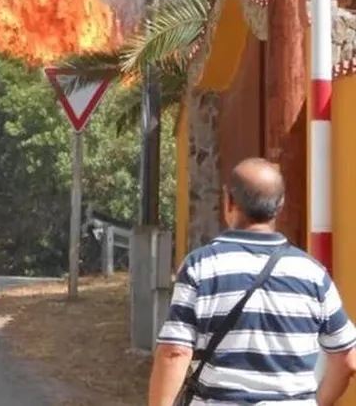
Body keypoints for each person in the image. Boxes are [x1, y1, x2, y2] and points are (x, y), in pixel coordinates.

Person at [148, 157, 356, 406]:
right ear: (280, 205)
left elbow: (175, 352)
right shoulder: (313, 275)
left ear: (229, 201)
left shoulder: (200, 267)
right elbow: (348, 359)